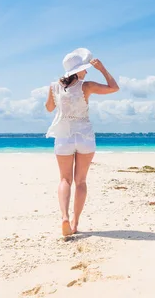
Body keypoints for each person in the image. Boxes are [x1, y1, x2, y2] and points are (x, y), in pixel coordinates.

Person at [45, 48, 119, 236]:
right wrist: (102, 69)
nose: (86, 71)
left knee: (64, 179)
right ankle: (76, 223)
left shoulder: (54, 86)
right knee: (81, 181)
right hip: (84, 136)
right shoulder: (87, 86)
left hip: (64, 136)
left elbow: (49, 108)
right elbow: (113, 87)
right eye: (84, 68)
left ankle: (64, 217)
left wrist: (61, 102)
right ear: (77, 70)